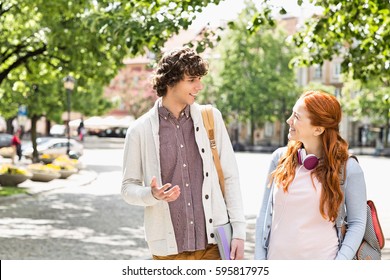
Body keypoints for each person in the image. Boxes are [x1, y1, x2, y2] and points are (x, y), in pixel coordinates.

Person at [121, 47, 246, 260]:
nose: (199, 86)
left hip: (214, 245)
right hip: (168, 251)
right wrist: (151, 195)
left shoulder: (211, 118)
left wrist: (239, 233)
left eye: (199, 79)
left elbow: (230, 177)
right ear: (170, 81)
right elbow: (127, 188)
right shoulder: (139, 130)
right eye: (192, 80)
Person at [255, 90, 367, 260]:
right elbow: (264, 212)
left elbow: (357, 223)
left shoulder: (348, 168)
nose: (289, 121)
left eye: (296, 117)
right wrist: (259, 260)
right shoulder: (279, 158)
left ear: (318, 129)